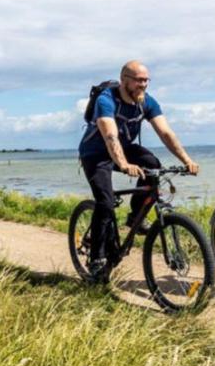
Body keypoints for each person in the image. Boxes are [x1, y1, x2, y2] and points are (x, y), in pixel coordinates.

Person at [78, 60, 200, 277]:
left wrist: (186, 160)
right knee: (105, 202)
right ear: (124, 80)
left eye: (146, 80)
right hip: (95, 154)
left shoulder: (147, 102)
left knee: (152, 165)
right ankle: (97, 256)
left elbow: (166, 133)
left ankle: (135, 216)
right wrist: (123, 164)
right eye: (138, 80)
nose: (143, 85)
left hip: (124, 148)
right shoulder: (106, 100)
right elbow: (110, 134)